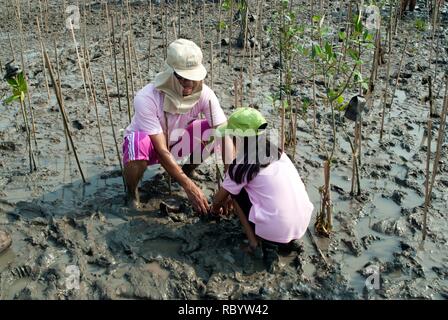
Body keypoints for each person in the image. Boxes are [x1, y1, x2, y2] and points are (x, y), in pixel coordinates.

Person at [123, 39, 232, 212]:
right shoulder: (147, 97)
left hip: (177, 141)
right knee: (137, 142)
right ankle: (131, 193)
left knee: (214, 132)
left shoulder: (205, 94)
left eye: (193, 78)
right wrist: (189, 187)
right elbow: (160, 149)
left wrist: (230, 184)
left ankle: (187, 170)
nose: (189, 84)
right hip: (149, 148)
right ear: (169, 73)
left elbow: (224, 134)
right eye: (182, 78)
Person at [210, 108, 314, 270]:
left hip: (275, 230)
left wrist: (214, 211)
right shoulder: (278, 153)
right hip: (301, 224)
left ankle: (254, 244)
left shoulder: (241, 166)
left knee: (235, 194)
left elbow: (218, 200)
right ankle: (282, 240)